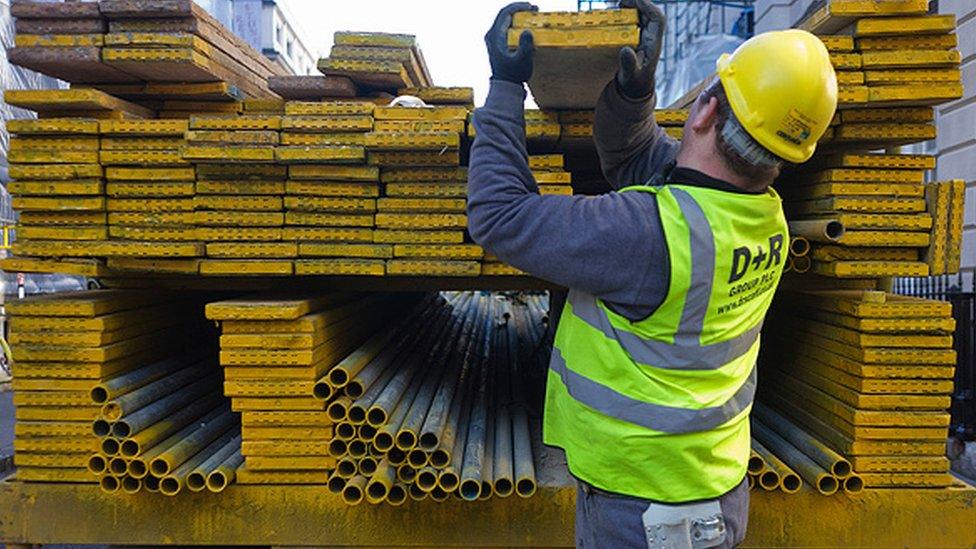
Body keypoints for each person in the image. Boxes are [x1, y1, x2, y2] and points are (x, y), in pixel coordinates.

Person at [467, 1, 837, 547]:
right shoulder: (766, 219)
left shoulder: (645, 233)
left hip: (639, 506)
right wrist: (634, 96)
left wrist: (503, 90)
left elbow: (497, 215)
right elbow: (643, 158)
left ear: (705, 113)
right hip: (714, 487)